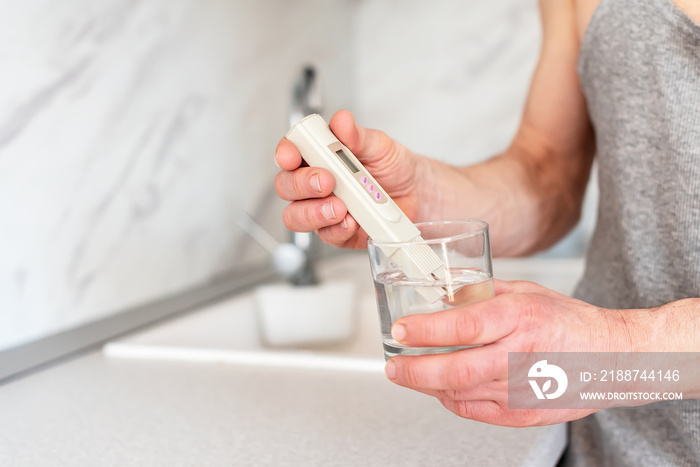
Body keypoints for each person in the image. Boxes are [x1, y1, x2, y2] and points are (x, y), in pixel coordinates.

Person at [274, 0, 700, 465]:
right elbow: (548, 174)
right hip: (606, 448)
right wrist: (426, 197)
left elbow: (611, 359)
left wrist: (617, 357)